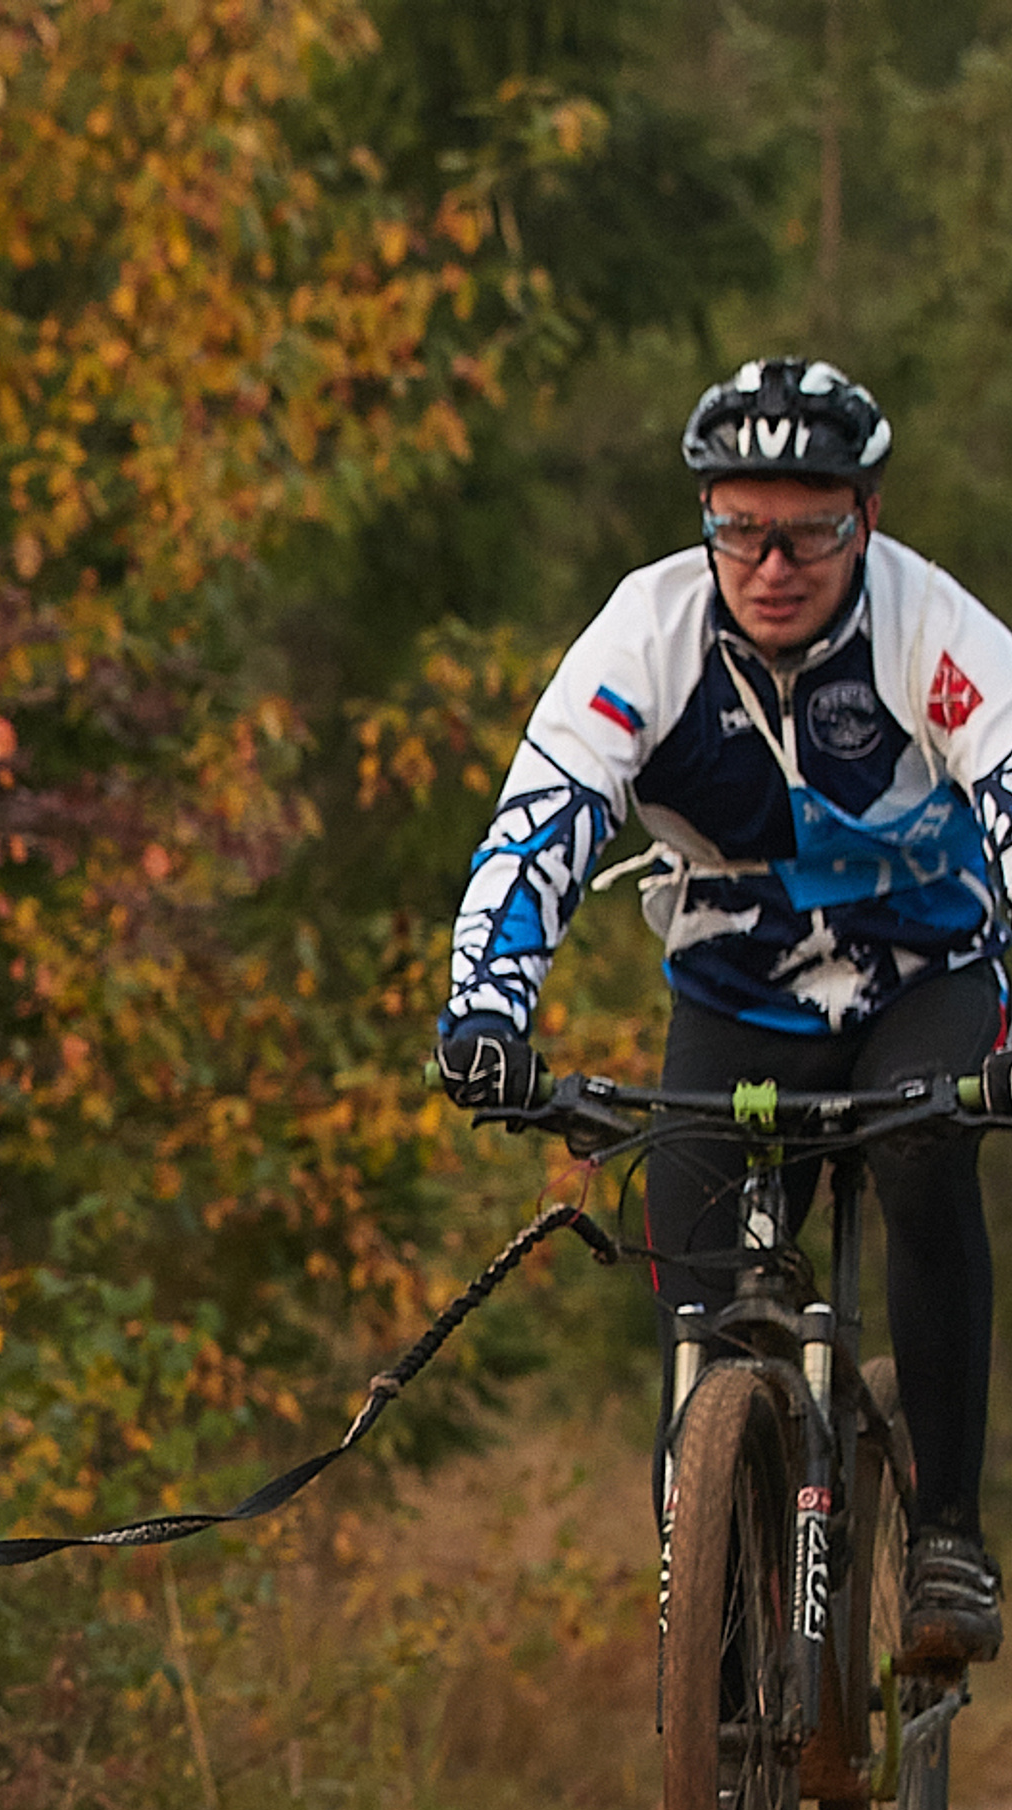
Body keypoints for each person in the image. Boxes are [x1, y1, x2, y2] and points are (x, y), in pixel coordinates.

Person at [432, 355, 1009, 1664]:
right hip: (738, 997)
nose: (772, 561)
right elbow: (544, 822)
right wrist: (486, 1011)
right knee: (688, 1276)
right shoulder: (648, 633)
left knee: (925, 1155)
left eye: (808, 530)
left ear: (866, 514)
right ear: (706, 519)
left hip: (924, 981)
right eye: (739, 526)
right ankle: (716, 1656)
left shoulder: (933, 627)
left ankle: (950, 1539)